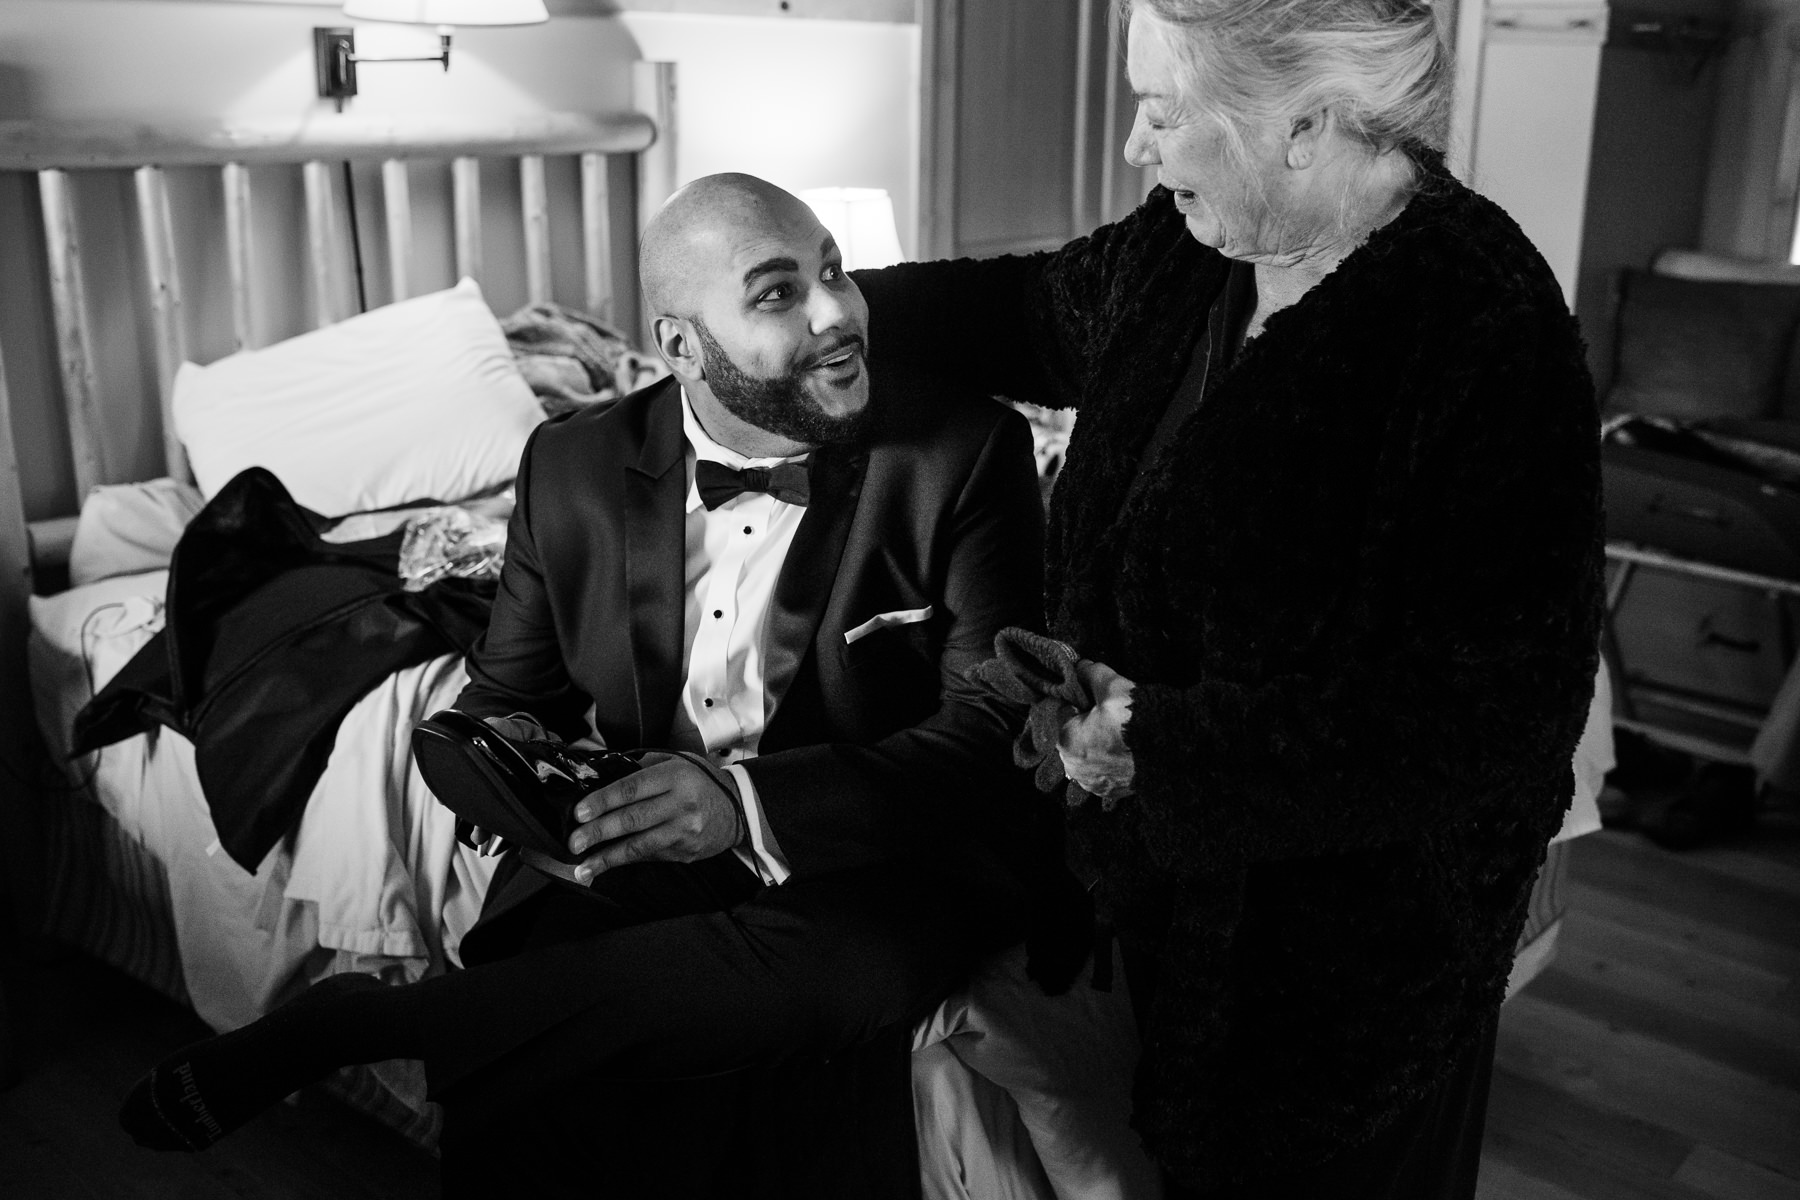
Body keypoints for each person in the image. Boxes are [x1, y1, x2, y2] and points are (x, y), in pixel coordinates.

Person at [119, 173, 1094, 1197]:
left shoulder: (965, 450)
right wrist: (538, 808)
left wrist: (744, 810)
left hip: (860, 843)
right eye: (776, 293)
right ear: (679, 347)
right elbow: (501, 703)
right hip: (638, 844)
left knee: (874, 969)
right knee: (536, 1065)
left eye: (834, 271)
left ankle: (372, 1024)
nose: (839, 312)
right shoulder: (571, 465)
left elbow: (989, 731)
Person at [850, 0, 1604, 1195]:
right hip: (1149, 907)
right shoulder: (1187, 250)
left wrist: (1164, 743)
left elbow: (1492, 723)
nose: (1137, 147)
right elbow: (1028, 308)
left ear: (1304, 124)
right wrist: (842, 305)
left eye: (1162, 110)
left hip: (1340, 980)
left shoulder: (1480, 327)